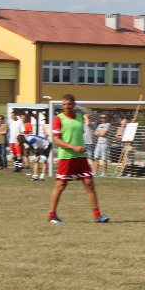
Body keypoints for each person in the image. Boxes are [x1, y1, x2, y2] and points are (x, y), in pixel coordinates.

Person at [49, 94, 109, 223]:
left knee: (89, 184)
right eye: (64, 104)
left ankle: (98, 216)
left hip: (81, 157)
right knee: (61, 185)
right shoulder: (58, 119)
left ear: (74, 105)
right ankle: (52, 215)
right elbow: (56, 140)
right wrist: (73, 147)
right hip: (66, 157)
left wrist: (81, 146)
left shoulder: (79, 118)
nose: (66, 106)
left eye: (69, 104)